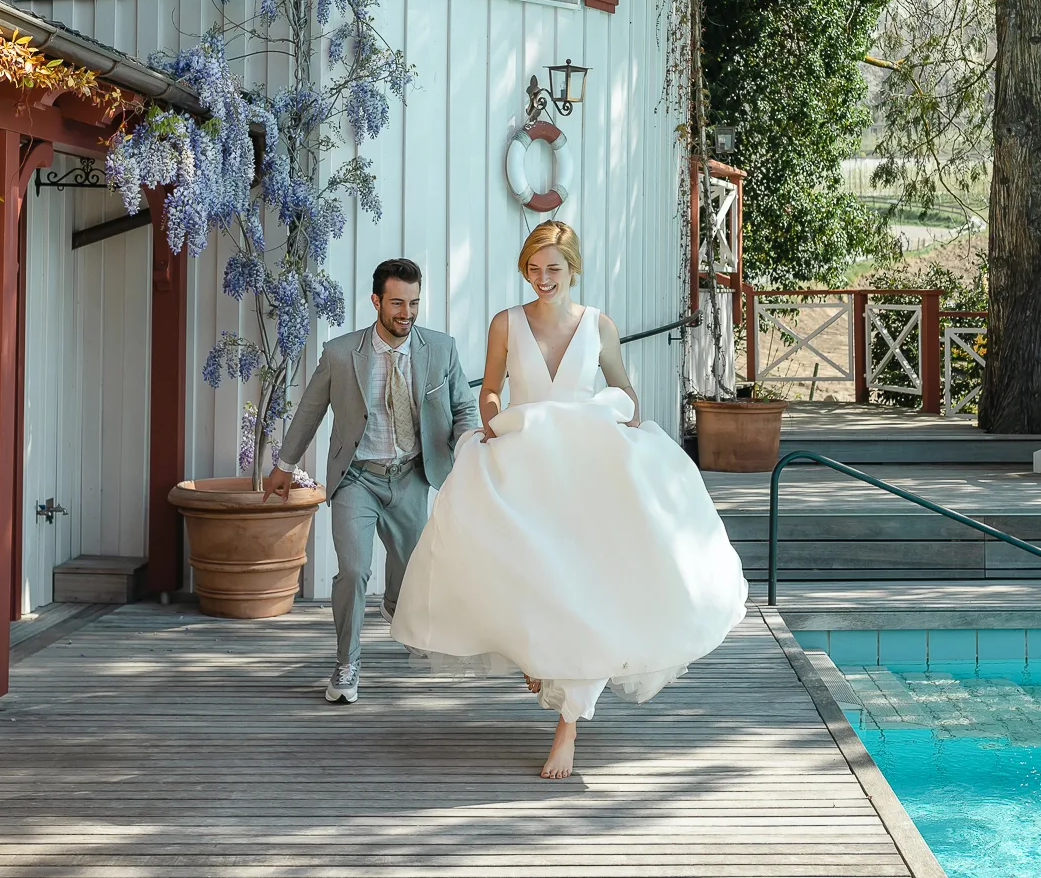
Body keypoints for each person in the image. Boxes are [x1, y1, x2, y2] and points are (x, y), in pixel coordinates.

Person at [391, 221, 749, 779]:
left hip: (586, 471)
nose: (542, 279)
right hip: (525, 464)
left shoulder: (599, 326)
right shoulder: (506, 324)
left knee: (590, 589)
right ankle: (536, 661)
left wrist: (623, 408)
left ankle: (569, 727)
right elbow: (488, 388)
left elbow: (625, 389)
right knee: (524, 577)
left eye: (552, 268)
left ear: (572, 268)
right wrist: (489, 415)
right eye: (533, 269)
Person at [265, 258, 479, 705]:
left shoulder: (440, 349)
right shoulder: (342, 354)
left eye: (414, 303)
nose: (407, 312)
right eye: (397, 302)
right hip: (357, 478)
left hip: (412, 477)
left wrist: (469, 450)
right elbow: (309, 410)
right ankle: (346, 663)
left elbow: (464, 408)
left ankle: (397, 609)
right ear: (376, 301)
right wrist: (284, 464)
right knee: (354, 570)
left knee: (411, 571)